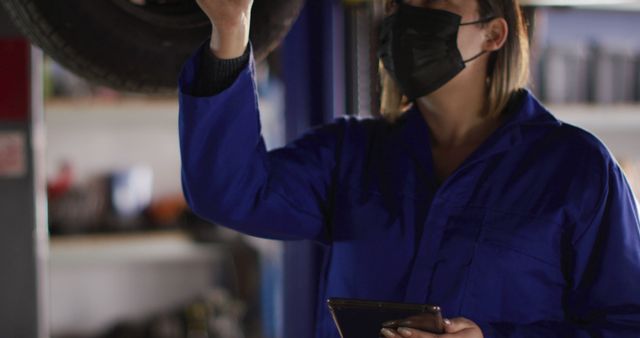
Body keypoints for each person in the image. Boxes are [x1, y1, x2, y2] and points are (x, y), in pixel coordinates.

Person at [178, 0, 640, 337]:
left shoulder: (576, 170)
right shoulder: (351, 154)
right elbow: (228, 191)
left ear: (494, 33)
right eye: (400, 4)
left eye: (434, 1)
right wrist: (231, 26)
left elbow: (626, 324)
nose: (407, 16)